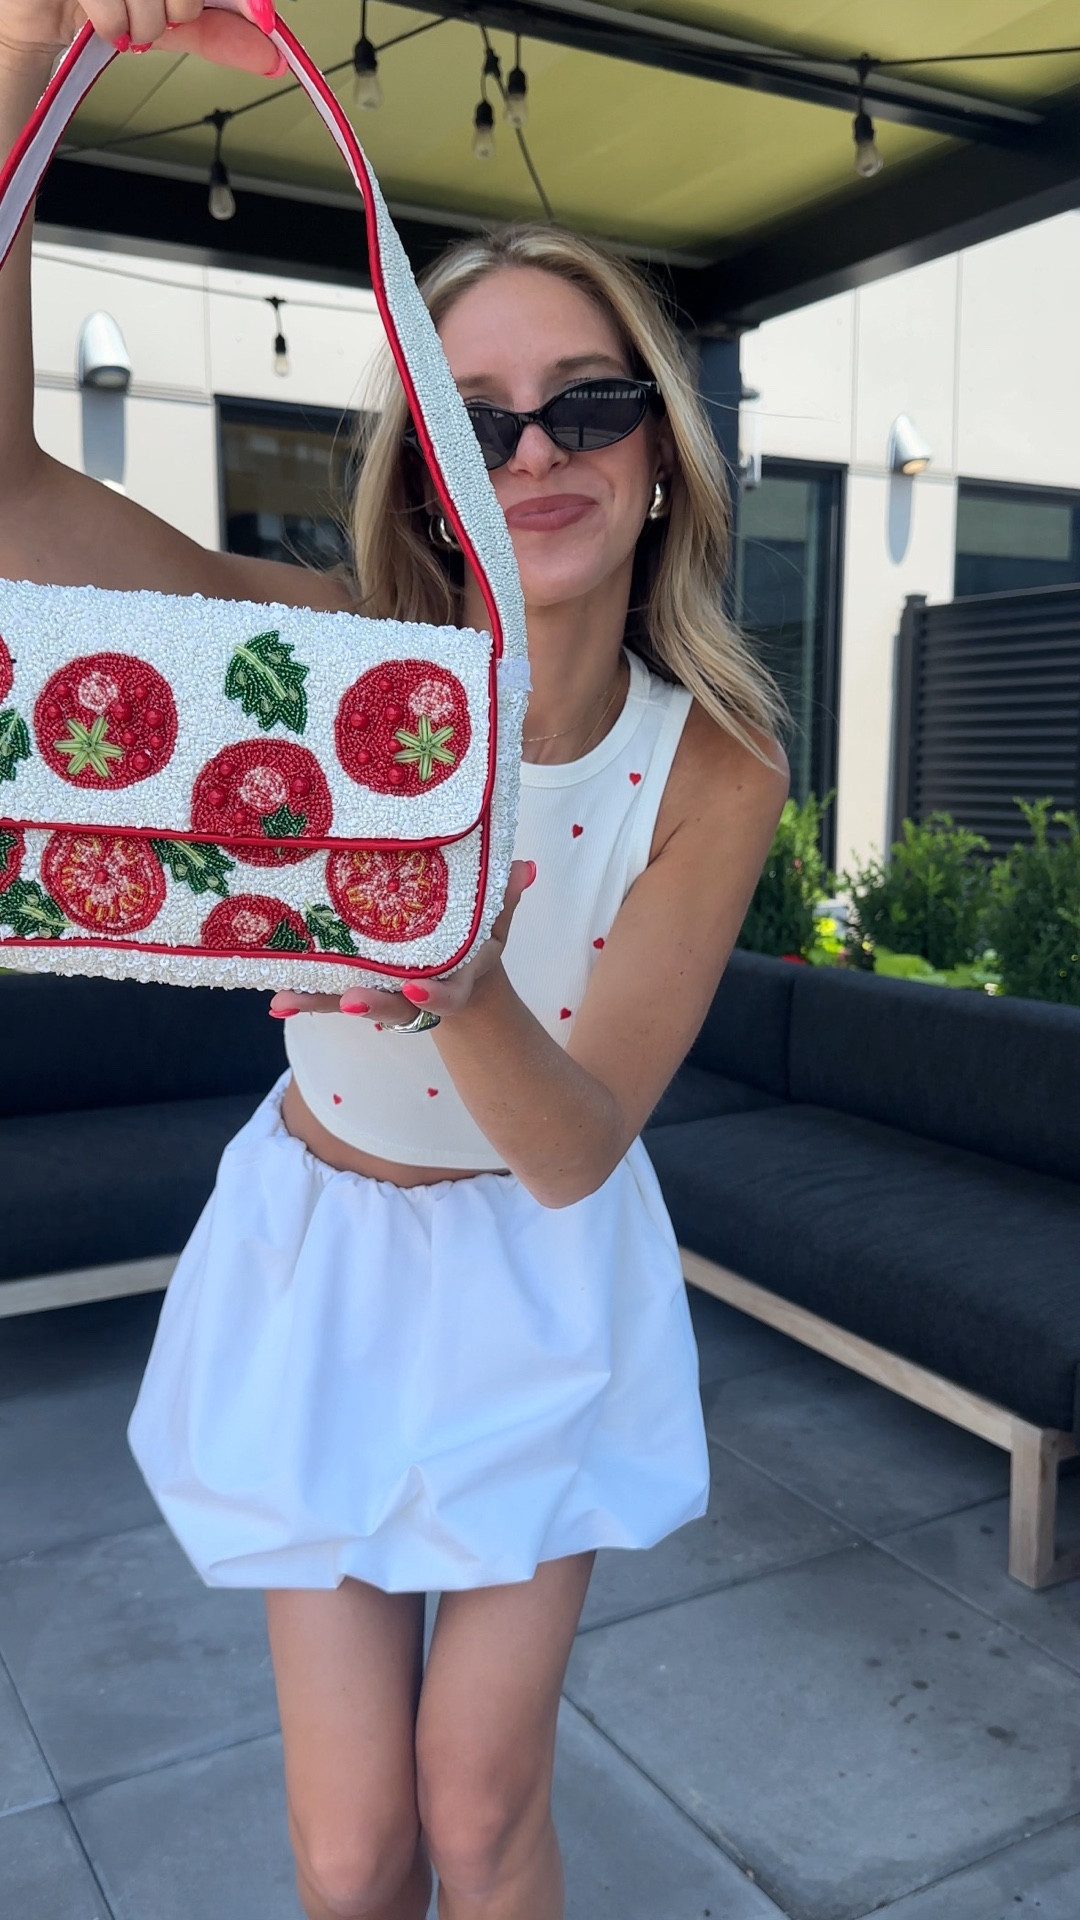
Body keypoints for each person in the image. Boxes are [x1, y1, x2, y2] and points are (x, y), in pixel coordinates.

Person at [0, 7, 792, 1915]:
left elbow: (579, 1145)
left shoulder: (716, 763)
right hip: (319, 1257)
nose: (535, 451)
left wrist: (447, 973)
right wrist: (26, 53)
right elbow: (9, 506)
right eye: (477, 414)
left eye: (588, 403)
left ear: (663, 452)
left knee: (478, 1813)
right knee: (350, 1854)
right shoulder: (336, 658)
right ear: (428, 466)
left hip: (536, 1281)